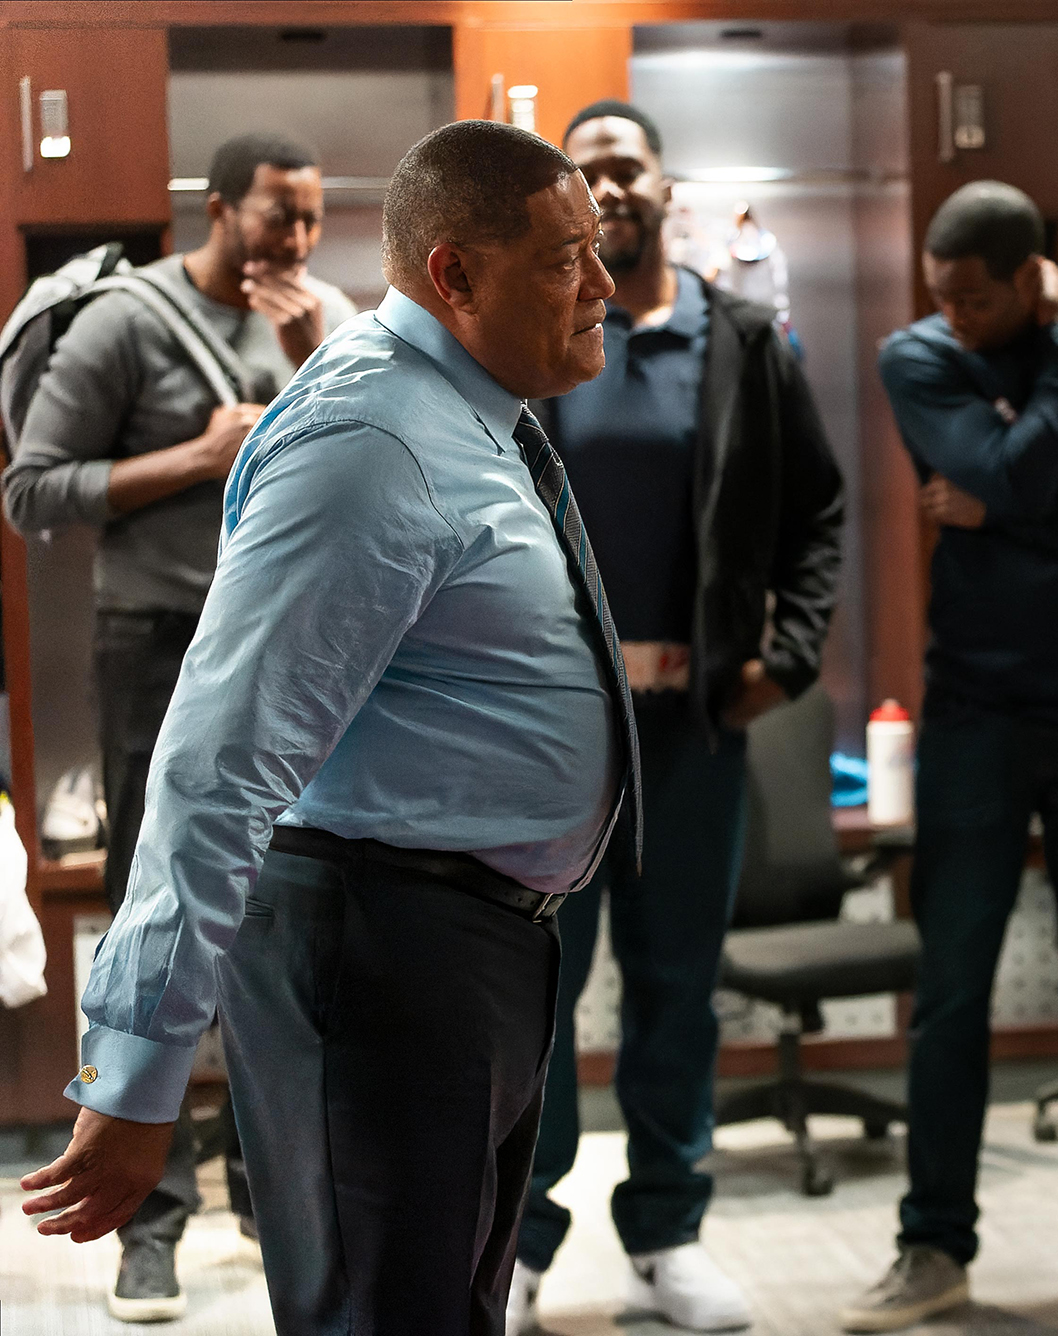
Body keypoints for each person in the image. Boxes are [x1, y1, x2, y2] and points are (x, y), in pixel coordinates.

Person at [18, 119, 636, 1336]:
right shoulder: (367, 436)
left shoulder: (463, 409)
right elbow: (216, 762)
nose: (604, 287)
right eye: (567, 259)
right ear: (454, 273)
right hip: (381, 951)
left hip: (467, 949)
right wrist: (138, 1074)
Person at [2, 129, 356, 1322]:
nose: (296, 243)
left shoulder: (324, 314)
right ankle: (144, 1226)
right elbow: (32, 490)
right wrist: (194, 458)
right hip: (154, 644)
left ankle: (273, 1197)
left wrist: (322, 360)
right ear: (216, 208)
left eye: (311, 221)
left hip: (297, 655)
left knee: (283, 913)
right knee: (154, 913)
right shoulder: (125, 322)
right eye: (276, 218)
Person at [506, 99, 844, 1335]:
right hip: (549, 741)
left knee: (676, 990)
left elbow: (818, 513)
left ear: (662, 186)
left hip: (691, 735)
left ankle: (667, 1235)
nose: (608, 185)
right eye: (585, 171)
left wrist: (788, 661)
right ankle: (520, 1244)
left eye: (626, 166)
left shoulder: (742, 337)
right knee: (534, 998)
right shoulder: (530, 338)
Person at [843, 181, 1058, 1333]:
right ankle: (931, 1245)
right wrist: (1020, 475)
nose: (949, 315)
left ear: (1028, 276)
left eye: (972, 298)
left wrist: (1009, 500)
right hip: (973, 719)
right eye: (938, 295)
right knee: (950, 993)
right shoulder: (919, 358)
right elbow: (1024, 474)